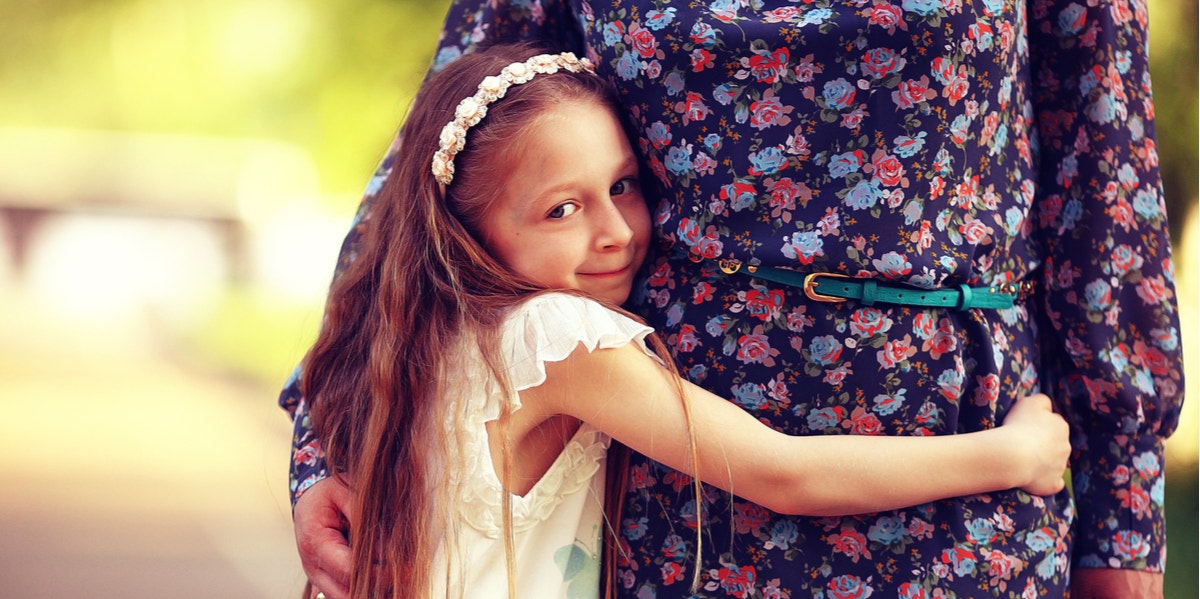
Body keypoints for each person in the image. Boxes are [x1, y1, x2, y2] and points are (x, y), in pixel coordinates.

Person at [283, 3, 1186, 598]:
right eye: (568, 207)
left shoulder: (539, 343)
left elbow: (1108, 181)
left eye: (626, 186)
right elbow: (437, 159)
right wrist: (325, 443)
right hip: (674, 499)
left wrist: (1123, 513)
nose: (613, 230)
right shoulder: (561, 342)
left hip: (957, 497)